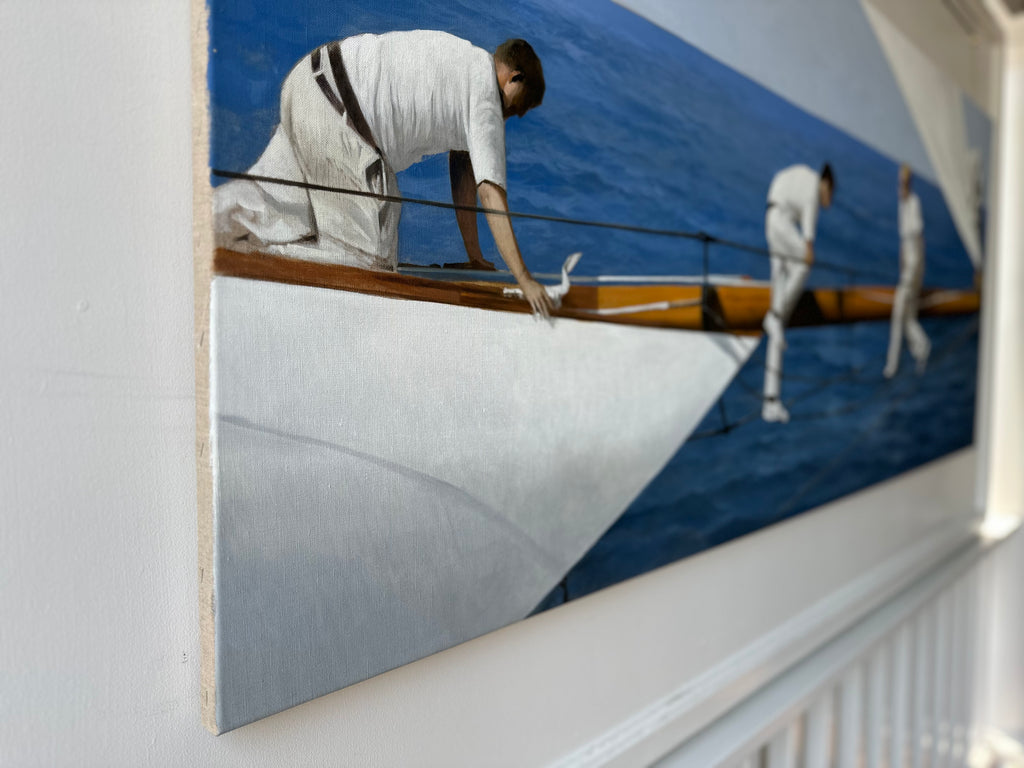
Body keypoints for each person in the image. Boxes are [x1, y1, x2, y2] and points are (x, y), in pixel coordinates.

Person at [214, 32, 554, 317]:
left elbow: (465, 172)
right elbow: (490, 191)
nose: (514, 115)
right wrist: (523, 279)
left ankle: (206, 229)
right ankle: (255, 272)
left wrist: (475, 257)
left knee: (269, 204)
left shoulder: (464, 64)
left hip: (310, 82)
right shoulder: (484, 96)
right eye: (519, 105)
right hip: (341, 119)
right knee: (366, 267)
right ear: (514, 78)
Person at [761, 163, 835, 423]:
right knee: (804, 264)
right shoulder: (815, 186)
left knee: (778, 326)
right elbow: (808, 245)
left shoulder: (801, 175)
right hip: (781, 222)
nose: (829, 200)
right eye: (830, 194)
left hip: (772, 221)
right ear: (827, 184)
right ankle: (774, 315)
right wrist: (808, 249)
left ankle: (771, 401)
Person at [883, 164, 931, 378]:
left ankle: (892, 365)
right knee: (908, 316)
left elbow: (917, 240)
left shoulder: (913, 203)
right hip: (908, 266)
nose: (900, 187)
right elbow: (904, 242)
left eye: (903, 183)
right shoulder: (903, 205)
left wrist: (913, 273)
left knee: (899, 311)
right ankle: (922, 348)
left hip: (913, 266)